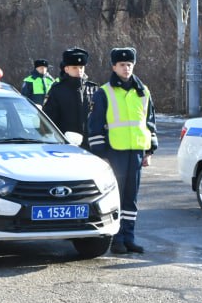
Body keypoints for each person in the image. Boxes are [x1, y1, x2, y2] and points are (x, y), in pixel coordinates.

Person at [88, 47, 158, 254]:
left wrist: (150, 150)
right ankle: (116, 239)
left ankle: (129, 238)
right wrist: (102, 155)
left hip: (136, 150)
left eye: (129, 65)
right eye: (122, 65)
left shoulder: (143, 91)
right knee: (116, 197)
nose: (126, 68)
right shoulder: (105, 92)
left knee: (131, 198)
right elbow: (95, 125)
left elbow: (149, 122)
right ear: (114, 67)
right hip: (114, 152)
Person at [43, 47, 97, 147]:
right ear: (66, 69)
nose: (79, 70)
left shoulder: (93, 89)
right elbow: (49, 121)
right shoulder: (57, 91)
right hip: (65, 144)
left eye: (81, 67)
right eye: (75, 67)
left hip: (90, 145)